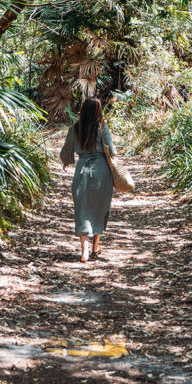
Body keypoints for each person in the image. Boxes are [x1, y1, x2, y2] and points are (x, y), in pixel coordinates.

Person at [60, 97, 117, 263]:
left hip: (82, 170)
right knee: (100, 208)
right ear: (99, 111)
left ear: (83, 110)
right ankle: (95, 248)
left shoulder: (75, 128)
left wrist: (66, 162)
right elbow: (112, 151)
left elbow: (67, 151)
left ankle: (84, 252)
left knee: (82, 210)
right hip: (102, 171)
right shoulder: (102, 128)